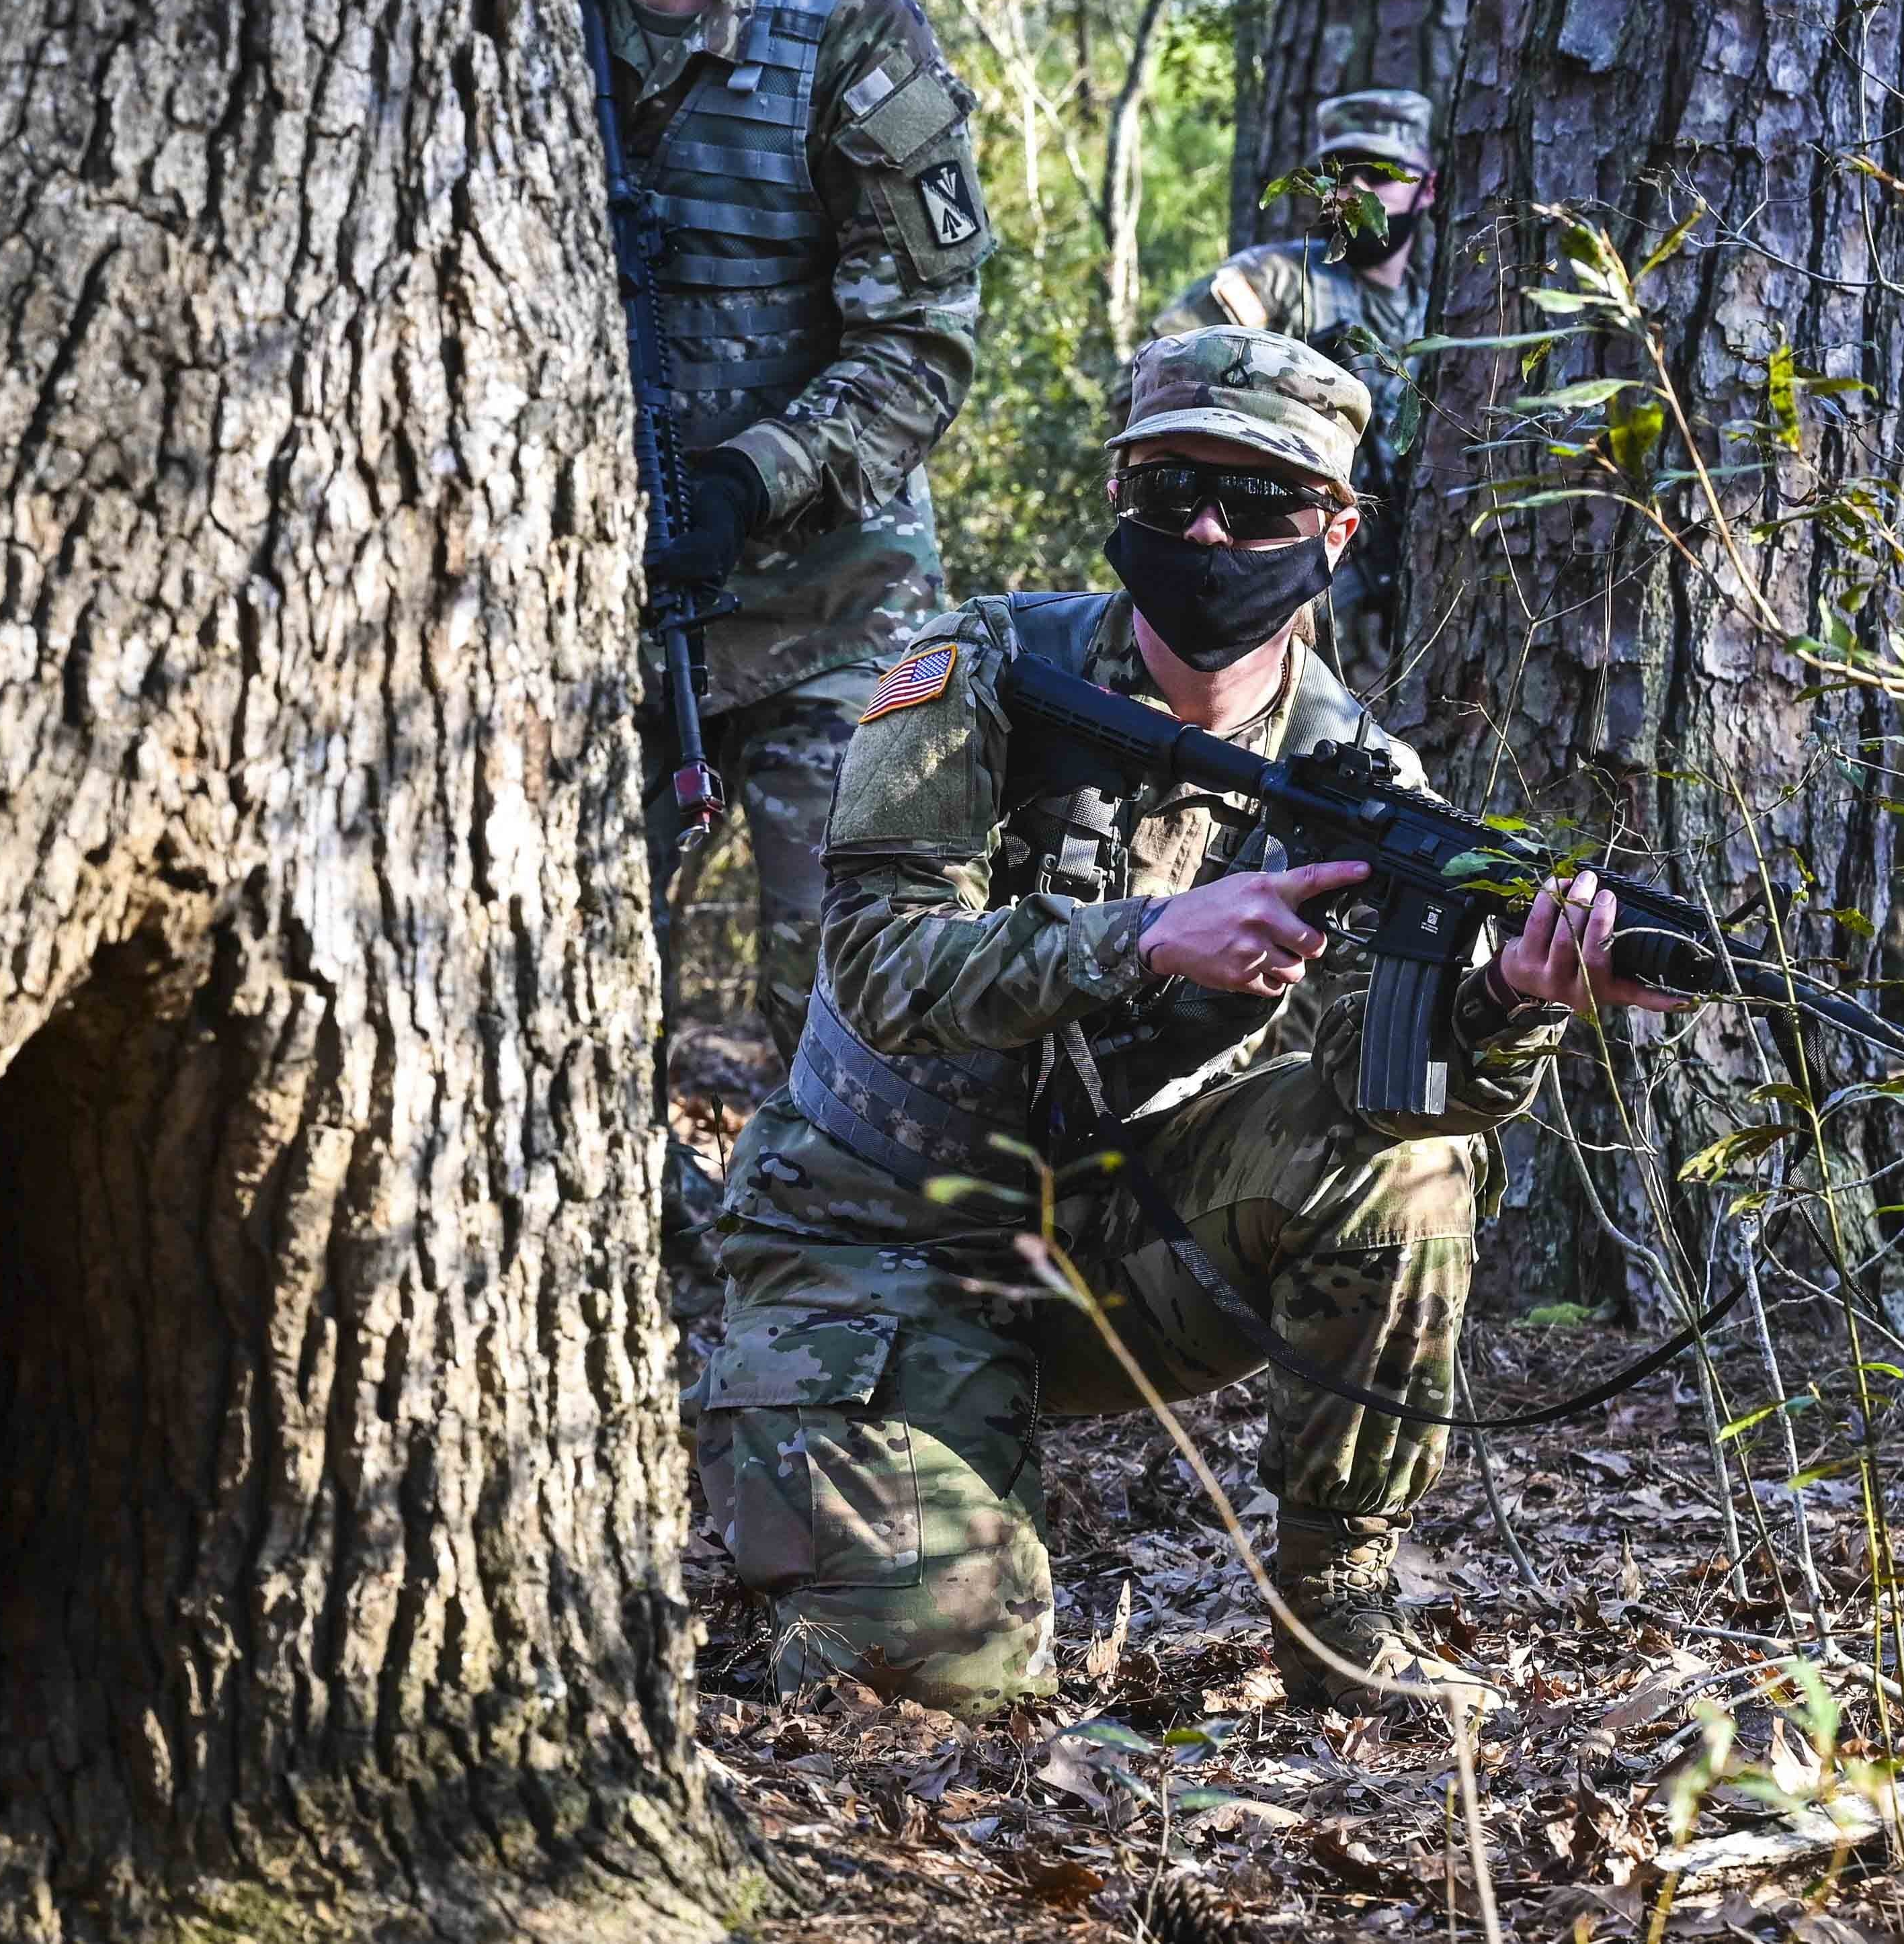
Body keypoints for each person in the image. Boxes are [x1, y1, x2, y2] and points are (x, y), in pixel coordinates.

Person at [692, 325, 1677, 1716]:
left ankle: (1339, 1612)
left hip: (1113, 1244)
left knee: (1411, 1167)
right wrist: (1148, 936)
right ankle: (755, 1385)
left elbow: (1383, 1094)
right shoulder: (980, 670)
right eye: (1169, 495)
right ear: (1121, 506)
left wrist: (1511, 1005)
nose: (1209, 530)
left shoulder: (1357, 777)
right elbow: (880, 969)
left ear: (1334, 533)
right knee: (931, 1677)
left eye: (1260, 503)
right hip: (871, 1238)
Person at [567, 0, 996, 1066]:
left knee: (841, 1006)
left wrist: (751, 483)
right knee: (565, 974)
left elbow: (922, 339)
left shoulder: (853, 27)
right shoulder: (535, 2)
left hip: (833, 607)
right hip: (599, 608)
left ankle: (818, 1266)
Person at [1151, 91, 1440, 690]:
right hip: (1268, 581)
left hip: (1399, 599)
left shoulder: (1439, 308)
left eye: (1380, 173)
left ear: (1427, 187)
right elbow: (1158, 380)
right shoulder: (1277, 280)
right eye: (1341, 172)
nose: (1357, 188)